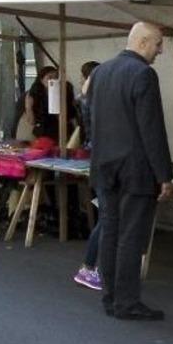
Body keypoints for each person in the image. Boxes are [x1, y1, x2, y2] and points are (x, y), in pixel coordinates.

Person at [89, 22, 173, 321]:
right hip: (135, 169)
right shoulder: (143, 74)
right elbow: (152, 129)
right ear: (142, 42)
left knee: (110, 232)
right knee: (130, 237)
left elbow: (92, 120)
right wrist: (164, 174)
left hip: (104, 165)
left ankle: (111, 297)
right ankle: (127, 302)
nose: (160, 50)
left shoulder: (100, 72)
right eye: (158, 44)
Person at [73, 60, 103, 291]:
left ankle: (91, 267)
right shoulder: (93, 101)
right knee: (109, 218)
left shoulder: (85, 98)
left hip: (98, 161)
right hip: (105, 163)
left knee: (107, 217)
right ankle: (90, 267)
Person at [23, 66, 77, 144]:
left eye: (56, 78)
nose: (53, 80)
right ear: (41, 80)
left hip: (62, 131)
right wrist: (28, 107)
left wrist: (57, 100)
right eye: (49, 77)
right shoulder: (35, 94)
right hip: (43, 132)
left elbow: (68, 118)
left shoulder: (65, 92)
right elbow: (32, 122)